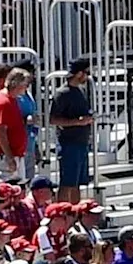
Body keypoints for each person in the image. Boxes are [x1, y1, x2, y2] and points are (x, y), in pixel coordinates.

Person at [0, 67, 33, 187]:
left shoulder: (12, 99)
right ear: (16, 85)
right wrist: (9, 157)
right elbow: (1, 132)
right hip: (5, 157)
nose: (26, 88)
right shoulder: (3, 102)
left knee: (19, 190)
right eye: (25, 85)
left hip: (15, 154)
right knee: (7, 190)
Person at [46, 59, 94, 190]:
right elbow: (53, 119)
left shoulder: (80, 91)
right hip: (69, 144)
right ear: (79, 73)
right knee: (67, 184)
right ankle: (64, 209)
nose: (88, 76)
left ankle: (75, 209)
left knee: (78, 184)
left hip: (82, 143)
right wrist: (77, 122)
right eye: (86, 72)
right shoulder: (62, 93)